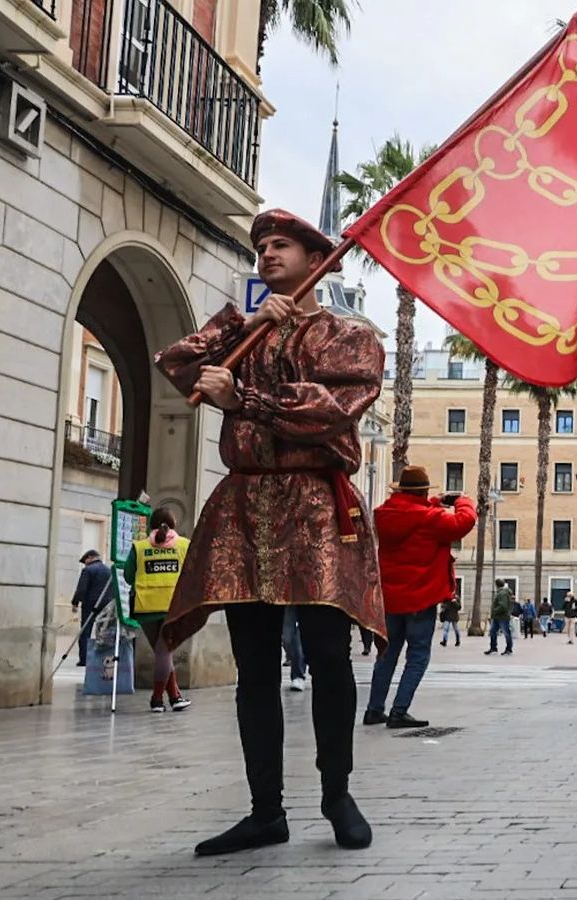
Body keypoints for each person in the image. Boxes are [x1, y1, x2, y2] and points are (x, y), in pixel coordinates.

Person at [154, 208, 384, 856]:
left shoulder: (350, 337)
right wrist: (247, 325)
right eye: (260, 248)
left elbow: (331, 412)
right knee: (254, 665)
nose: (267, 255)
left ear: (316, 258)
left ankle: (337, 794)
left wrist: (246, 400)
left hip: (314, 505)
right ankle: (265, 811)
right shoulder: (245, 336)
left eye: (281, 245)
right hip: (245, 504)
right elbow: (178, 365)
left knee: (329, 658)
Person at [364, 467, 478, 729]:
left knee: (387, 653)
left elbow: (413, 510)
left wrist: (437, 502)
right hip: (420, 598)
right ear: (424, 491)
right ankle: (399, 711)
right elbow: (464, 522)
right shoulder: (431, 519)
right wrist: (463, 501)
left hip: (391, 599)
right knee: (417, 656)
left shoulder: (385, 514)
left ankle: (374, 709)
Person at [125, 508, 192, 713]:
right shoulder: (183, 545)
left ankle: (175, 697)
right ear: (172, 523)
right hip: (172, 607)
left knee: (162, 653)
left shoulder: (139, 547)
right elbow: (192, 574)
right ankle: (156, 699)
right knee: (164, 652)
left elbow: (128, 576)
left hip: (146, 608)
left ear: (151, 525)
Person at [70, 550, 113, 667]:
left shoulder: (88, 570)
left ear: (89, 558)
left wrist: (75, 603)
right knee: (104, 632)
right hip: (106, 605)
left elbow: (81, 589)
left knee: (85, 632)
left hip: (90, 604)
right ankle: (103, 658)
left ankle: (84, 659)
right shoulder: (108, 570)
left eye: (85, 561)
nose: (85, 564)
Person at [485, 579, 515, 656]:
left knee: (506, 633)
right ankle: (493, 648)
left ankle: (508, 649)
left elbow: (503, 606)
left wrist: (495, 611)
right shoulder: (502, 593)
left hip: (502, 616)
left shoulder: (502, 594)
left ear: (496, 585)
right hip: (498, 616)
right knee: (493, 632)